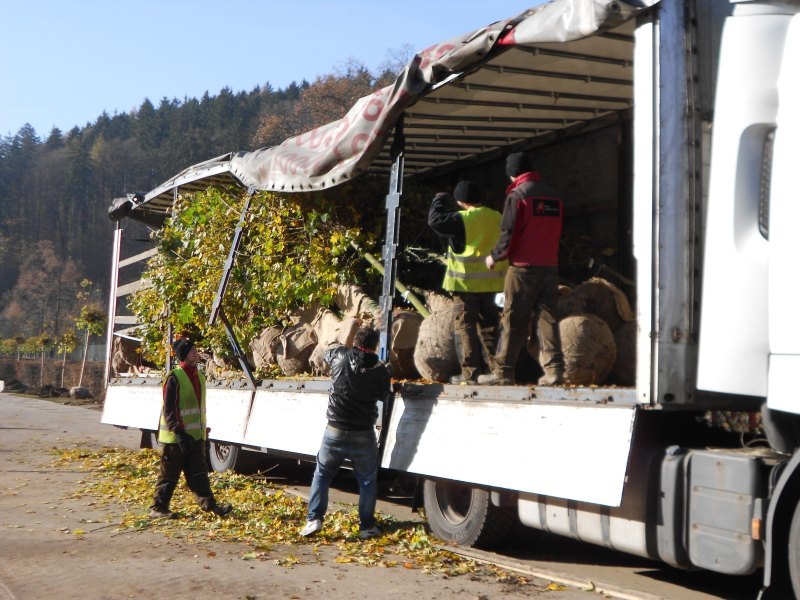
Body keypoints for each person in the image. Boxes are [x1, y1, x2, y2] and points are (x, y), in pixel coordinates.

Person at [479, 152, 565, 386]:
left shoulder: (518, 195)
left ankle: (503, 372)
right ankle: (555, 370)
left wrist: (495, 255)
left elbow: (509, 231)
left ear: (512, 173)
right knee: (547, 319)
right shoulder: (553, 196)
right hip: (549, 267)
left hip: (523, 270)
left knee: (513, 320)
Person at [300, 327, 391, 540]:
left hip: (335, 430)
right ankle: (367, 526)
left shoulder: (340, 355)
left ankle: (314, 519)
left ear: (356, 341)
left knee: (322, 474)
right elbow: (384, 394)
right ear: (375, 346)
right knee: (367, 480)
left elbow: (327, 353)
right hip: (363, 433)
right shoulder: (380, 369)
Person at [427, 180, 507, 384]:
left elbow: (434, 221)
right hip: (492, 284)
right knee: (491, 327)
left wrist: (439, 200)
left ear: (461, 201)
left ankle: (470, 374)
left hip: (465, 284)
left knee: (465, 328)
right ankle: (498, 372)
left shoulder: (462, 219)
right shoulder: (496, 216)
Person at [150, 336, 232, 519]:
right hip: (175, 439)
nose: (196, 352)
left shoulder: (199, 376)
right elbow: (169, 409)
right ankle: (158, 508)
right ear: (184, 355)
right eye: (192, 350)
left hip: (195, 438)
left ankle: (211, 506)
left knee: (199, 475)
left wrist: (204, 434)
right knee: (168, 476)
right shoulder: (174, 378)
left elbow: (198, 409)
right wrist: (179, 432)